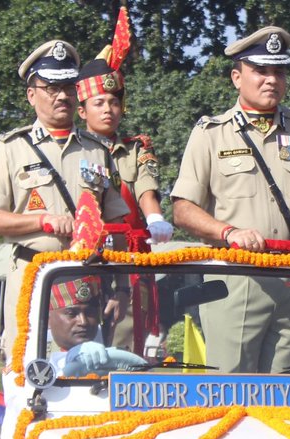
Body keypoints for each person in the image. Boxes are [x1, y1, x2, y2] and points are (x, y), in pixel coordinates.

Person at [171, 25, 290, 372]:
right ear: (237, 77)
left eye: (278, 71)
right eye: (260, 70)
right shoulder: (210, 134)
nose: (270, 80)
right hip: (235, 279)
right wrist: (229, 233)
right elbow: (183, 210)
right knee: (232, 392)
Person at [0, 39, 129, 359]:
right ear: (31, 95)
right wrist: (43, 221)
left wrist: (122, 289)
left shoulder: (97, 149)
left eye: (69, 87)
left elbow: (117, 225)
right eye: (50, 87)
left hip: (87, 281)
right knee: (26, 368)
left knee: (88, 374)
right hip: (31, 275)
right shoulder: (10, 147)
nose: (62, 96)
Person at [74, 10, 173, 355]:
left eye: (115, 102)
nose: (108, 109)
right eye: (99, 102)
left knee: (126, 346)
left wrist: (155, 217)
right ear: (82, 110)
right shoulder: (73, 150)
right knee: (78, 347)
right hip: (84, 260)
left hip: (129, 260)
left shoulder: (136, 148)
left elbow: (146, 185)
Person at [46, 276, 145, 377]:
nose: (83, 322)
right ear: (48, 320)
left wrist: (122, 289)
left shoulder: (117, 360)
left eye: (90, 313)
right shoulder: (38, 358)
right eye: (72, 314)